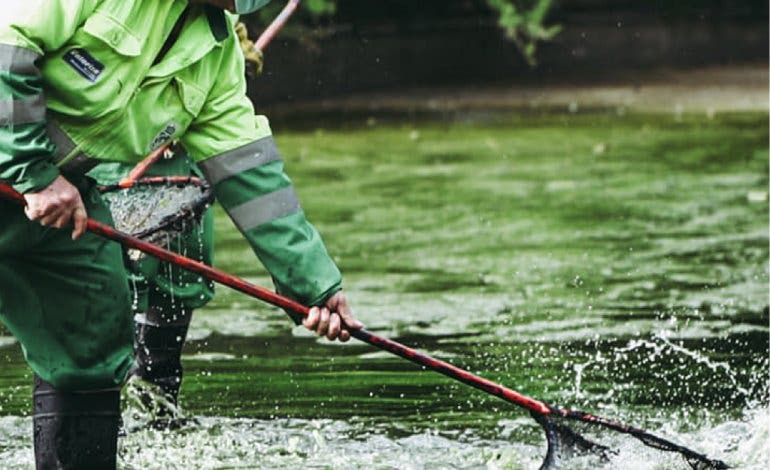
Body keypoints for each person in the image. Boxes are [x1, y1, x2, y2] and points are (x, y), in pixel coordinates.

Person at [0, 0, 362, 468]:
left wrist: (315, 285)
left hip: (52, 200)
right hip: (35, 177)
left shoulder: (217, 53)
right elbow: (7, 45)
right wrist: (37, 175)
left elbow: (248, 170)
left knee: (93, 329)